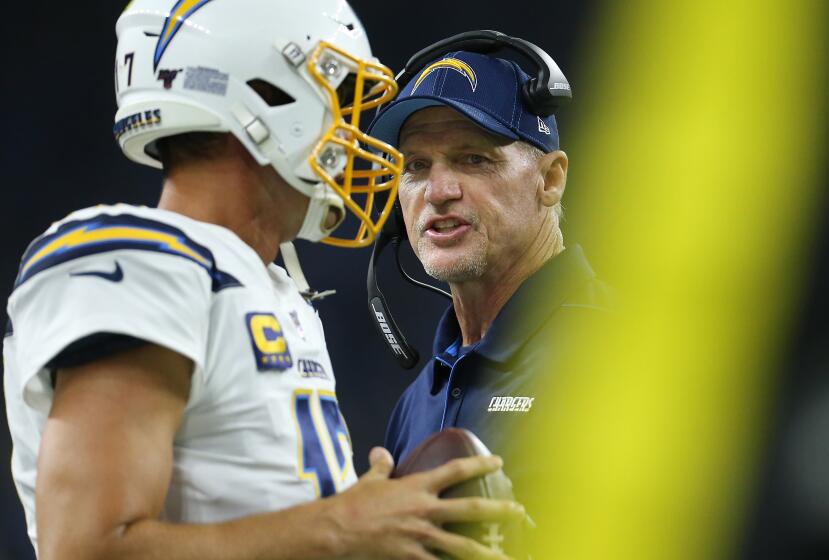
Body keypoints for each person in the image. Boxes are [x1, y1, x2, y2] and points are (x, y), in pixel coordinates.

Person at [2, 3, 522, 559]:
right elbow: (87, 548)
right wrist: (341, 525)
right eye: (339, 100)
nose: (353, 133)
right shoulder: (138, 260)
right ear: (264, 96)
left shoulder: (269, 288)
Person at [367, 47, 611, 521]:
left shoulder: (619, 352)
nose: (438, 192)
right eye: (415, 166)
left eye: (473, 159)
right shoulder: (420, 397)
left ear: (551, 179)